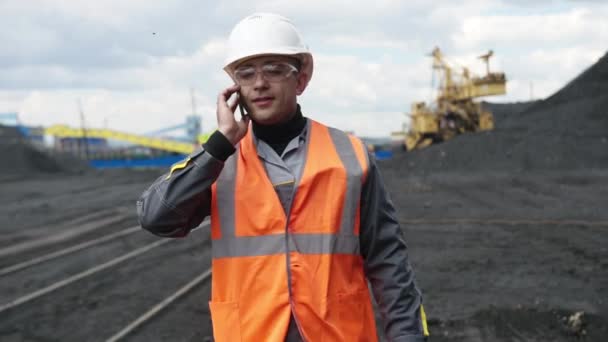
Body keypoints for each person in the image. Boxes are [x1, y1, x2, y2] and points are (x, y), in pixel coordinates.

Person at [137, 12, 428, 342]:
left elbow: (389, 262)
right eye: (246, 74)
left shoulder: (351, 155)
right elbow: (155, 218)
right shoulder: (220, 160)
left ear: (301, 79)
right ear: (234, 89)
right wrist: (219, 145)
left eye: (273, 70)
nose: (259, 83)